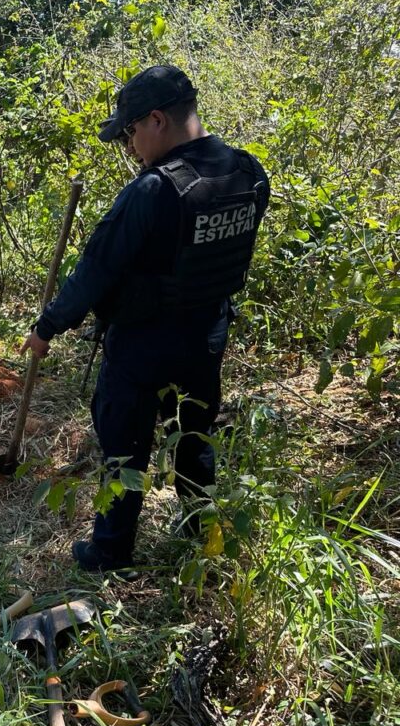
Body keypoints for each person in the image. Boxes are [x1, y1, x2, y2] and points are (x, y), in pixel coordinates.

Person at [21, 65, 270, 572]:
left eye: (132, 131)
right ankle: (204, 537)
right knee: (195, 438)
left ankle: (110, 551)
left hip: (144, 344)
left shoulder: (153, 191)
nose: (131, 145)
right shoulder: (249, 171)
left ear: (156, 119)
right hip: (207, 337)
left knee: (123, 447)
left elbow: (95, 271)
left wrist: (46, 327)